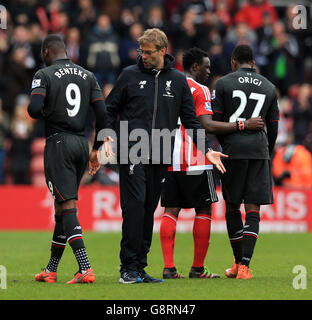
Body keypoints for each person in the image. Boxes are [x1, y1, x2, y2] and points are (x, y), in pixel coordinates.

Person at [105, 28, 226, 284]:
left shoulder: (178, 81)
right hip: (132, 150)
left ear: (163, 51)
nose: (143, 57)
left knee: (149, 208)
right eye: (141, 52)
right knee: (135, 207)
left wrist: (206, 149)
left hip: (161, 151)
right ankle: (127, 267)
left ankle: (139, 267)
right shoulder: (129, 75)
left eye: (148, 52)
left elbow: (192, 121)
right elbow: (109, 109)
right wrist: (103, 140)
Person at [159, 47, 264, 279]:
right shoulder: (201, 89)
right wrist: (240, 125)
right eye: (206, 67)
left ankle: (168, 267)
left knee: (170, 210)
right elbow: (205, 124)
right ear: (195, 67)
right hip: (197, 156)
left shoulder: (167, 85)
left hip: (168, 157)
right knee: (204, 209)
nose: (209, 72)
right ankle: (197, 268)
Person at [28, 34, 108, 284]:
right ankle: (51, 269)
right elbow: (103, 115)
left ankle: (85, 268)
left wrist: (50, 110)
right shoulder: (88, 75)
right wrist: (96, 149)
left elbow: (32, 109)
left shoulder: (44, 74)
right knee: (61, 207)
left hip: (58, 143)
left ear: (45, 53)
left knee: (68, 206)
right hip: (81, 144)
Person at [211, 44, 279, 279]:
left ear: (233, 61)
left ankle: (238, 262)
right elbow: (273, 129)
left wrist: (227, 143)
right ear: (253, 63)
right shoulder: (269, 87)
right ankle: (244, 267)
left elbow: (214, 123)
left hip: (233, 151)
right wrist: (265, 150)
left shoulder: (223, 83)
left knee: (232, 206)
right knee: (253, 208)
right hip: (259, 151)